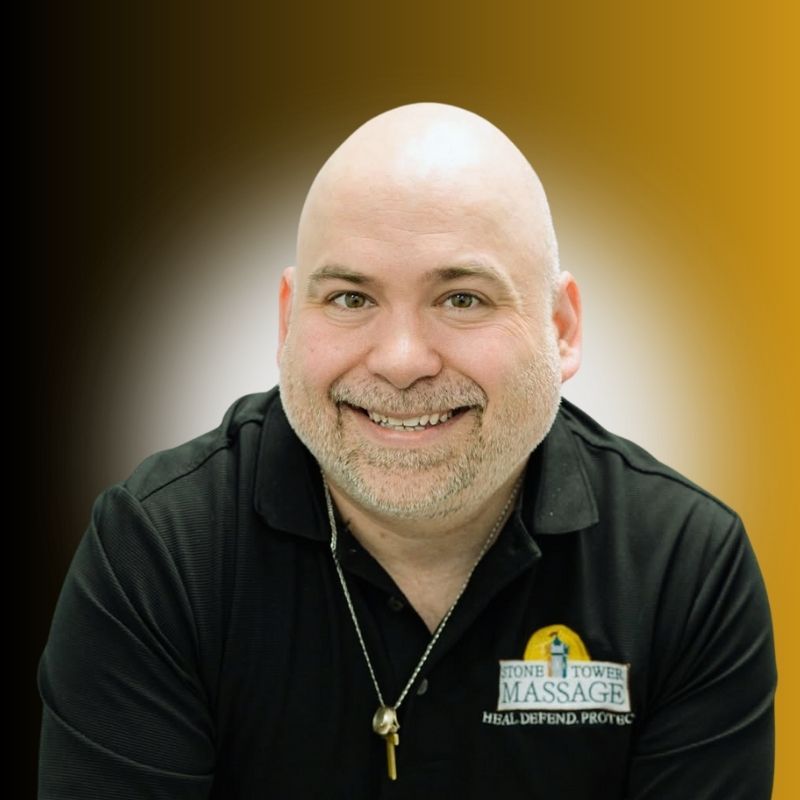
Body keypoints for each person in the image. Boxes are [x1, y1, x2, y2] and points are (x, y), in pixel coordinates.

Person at [37, 102, 777, 799]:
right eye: (351, 299)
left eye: (462, 299)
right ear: (290, 323)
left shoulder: (686, 567)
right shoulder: (159, 553)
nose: (399, 361)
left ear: (561, 328)